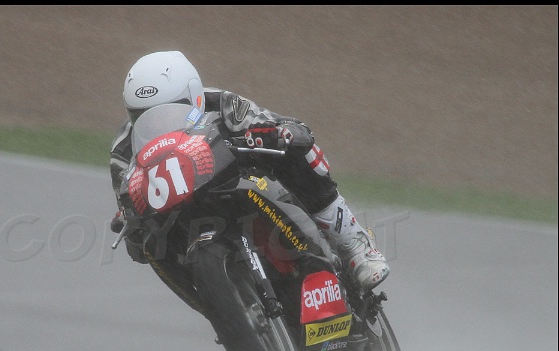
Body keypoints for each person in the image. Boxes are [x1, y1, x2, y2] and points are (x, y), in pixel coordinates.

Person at [109, 50, 389, 292]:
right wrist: (128, 219)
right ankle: (216, 304)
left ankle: (354, 243)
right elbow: (127, 206)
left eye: (170, 111)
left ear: (194, 97)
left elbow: (277, 125)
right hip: (179, 213)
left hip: (234, 180)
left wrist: (280, 133)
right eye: (141, 115)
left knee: (297, 151)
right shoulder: (123, 152)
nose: (157, 123)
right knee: (149, 245)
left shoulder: (222, 103)